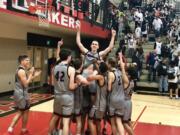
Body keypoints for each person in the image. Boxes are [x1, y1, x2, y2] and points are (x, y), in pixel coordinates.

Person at [8, 55, 41, 135]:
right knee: (22, 111)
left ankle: (21, 128)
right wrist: (30, 73)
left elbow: (25, 81)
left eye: (29, 60)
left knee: (24, 111)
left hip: (21, 93)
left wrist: (34, 76)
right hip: (21, 94)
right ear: (22, 61)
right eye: (27, 60)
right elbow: (26, 84)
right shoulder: (21, 71)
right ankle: (12, 128)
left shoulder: (21, 70)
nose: (28, 62)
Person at [48, 49, 78, 135]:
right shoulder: (71, 69)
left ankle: (49, 133)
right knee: (65, 121)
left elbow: (52, 83)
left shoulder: (54, 68)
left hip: (57, 96)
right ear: (68, 57)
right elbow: (71, 86)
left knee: (54, 117)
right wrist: (77, 84)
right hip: (67, 96)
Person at [87, 62, 108, 135]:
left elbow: (89, 78)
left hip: (98, 104)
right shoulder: (108, 76)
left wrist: (95, 72)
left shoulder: (101, 77)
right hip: (103, 103)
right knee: (98, 122)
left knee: (90, 120)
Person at [107, 56, 125, 135]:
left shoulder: (111, 74)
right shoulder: (120, 72)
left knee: (113, 123)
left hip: (113, 99)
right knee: (119, 121)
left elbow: (109, 89)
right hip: (121, 99)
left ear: (110, 64)